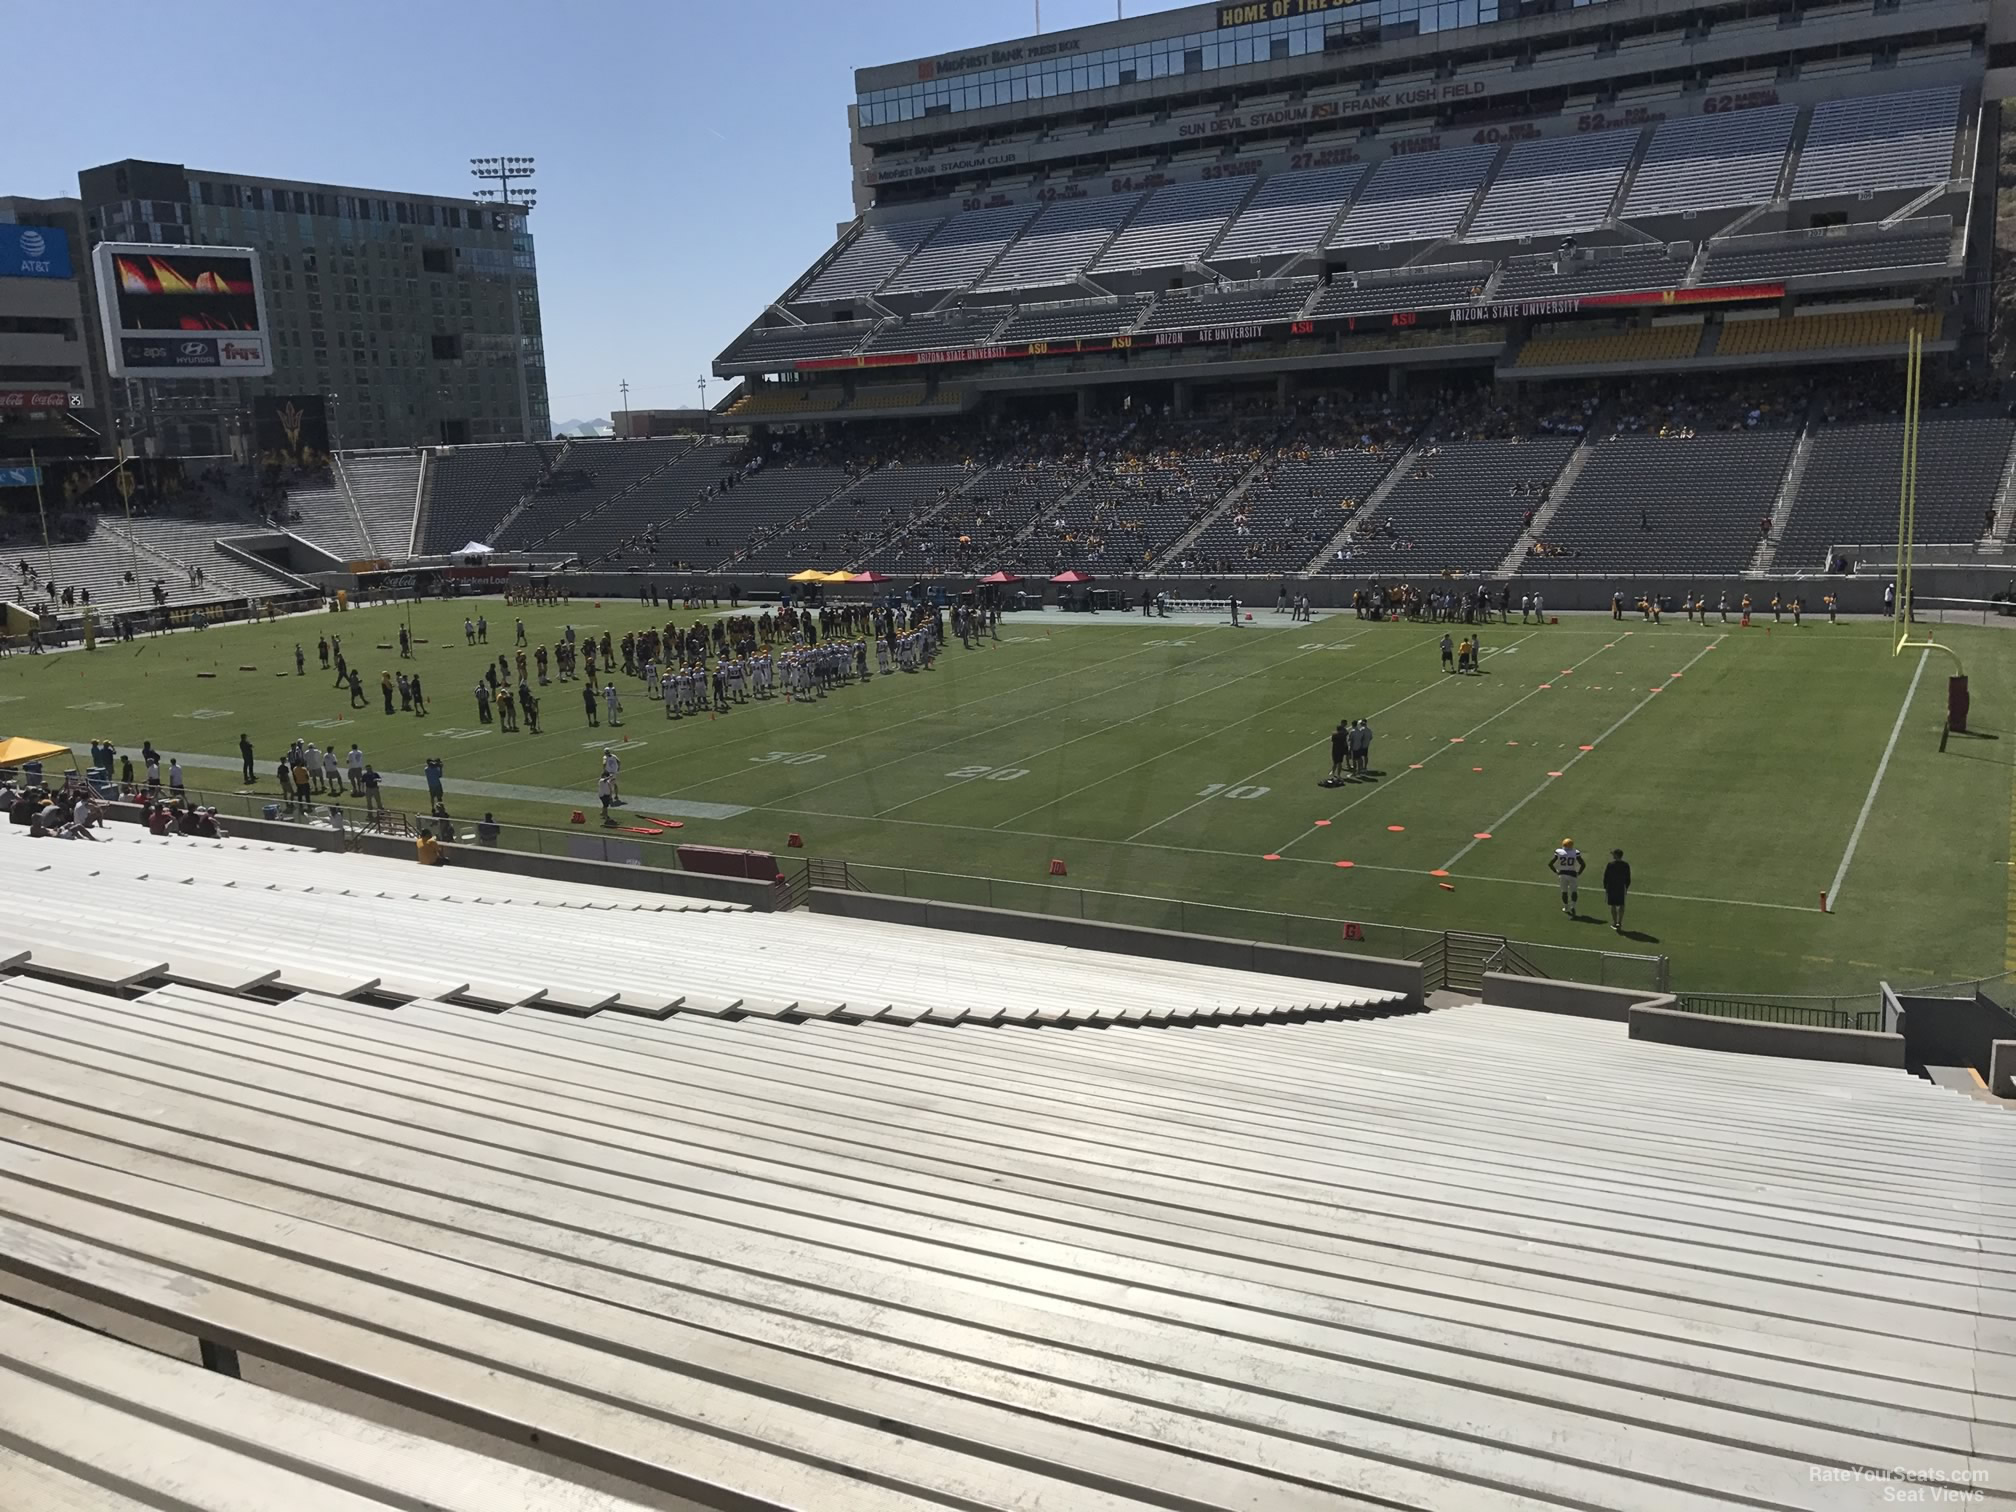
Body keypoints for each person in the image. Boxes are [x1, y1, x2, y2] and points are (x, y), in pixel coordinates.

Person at [1550, 837, 1586, 917]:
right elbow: (1583, 864)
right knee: (1574, 891)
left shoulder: (1559, 852)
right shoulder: (1575, 852)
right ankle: (1573, 905)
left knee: (1564, 891)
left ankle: (1566, 907)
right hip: (1572, 874)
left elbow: (1550, 864)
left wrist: (1556, 871)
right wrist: (1579, 873)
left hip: (1562, 874)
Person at [1603, 848, 1632, 932]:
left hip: (1612, 887)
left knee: (1613, 905)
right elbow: (1628, 878)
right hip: (1621, 887)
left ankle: (1615, 922)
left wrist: (1605, 887)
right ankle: (1619, 922)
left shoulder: (1610, 864)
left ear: (1616, 855)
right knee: (1621, 905)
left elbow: (1606, 876)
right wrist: (1626, 887)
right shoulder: (1625, 865)